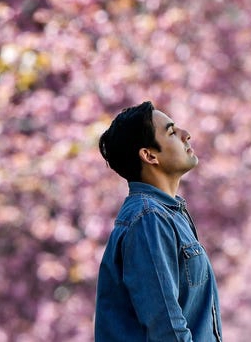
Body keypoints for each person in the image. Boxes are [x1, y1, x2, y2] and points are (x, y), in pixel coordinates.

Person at [95, 101, 224, 342]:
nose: (186, 135)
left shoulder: (169, 213)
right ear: (149, 155)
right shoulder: (149, 219)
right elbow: (165, 327)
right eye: (172, 132)